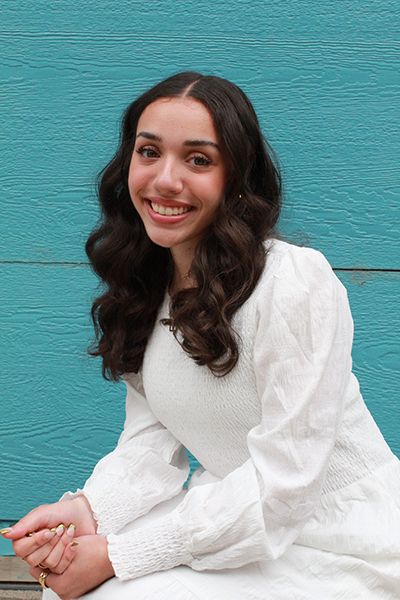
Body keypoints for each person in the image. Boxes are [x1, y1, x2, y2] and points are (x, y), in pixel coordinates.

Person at [2, 72, 399, 599]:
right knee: (72, 584)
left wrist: (120, 555)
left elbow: (285, 486)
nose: (166, 180)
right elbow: (151, 445)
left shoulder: (293, 283)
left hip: (338, 541)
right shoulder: (147, 288)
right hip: (236, 521)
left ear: (237, 177)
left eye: (198, 160)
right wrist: (85, 513)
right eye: (149, 152)